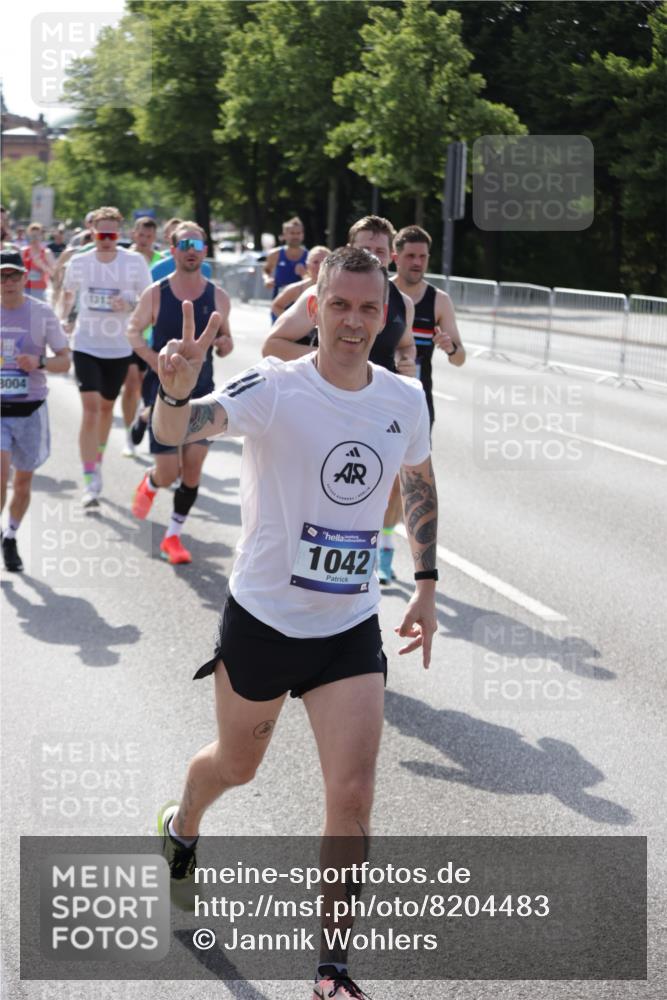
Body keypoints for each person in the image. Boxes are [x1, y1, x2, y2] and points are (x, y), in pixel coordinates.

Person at [152, 246, 438, 1000]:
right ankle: (182, 826)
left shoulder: (404, 400)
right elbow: (186, 430)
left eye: (367, 308)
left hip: (347, 630)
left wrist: (426, 584)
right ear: (313, 306)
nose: (352, 320)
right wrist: (174, 396)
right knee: (234, 769)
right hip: (265, 621)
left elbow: (418, 485)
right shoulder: (275, 388)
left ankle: (330, 968)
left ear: (385, 316)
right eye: (338, 304)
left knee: (351, 794)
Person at [264, 215, 417, 586]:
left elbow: (405, 344)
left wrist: (407, 366)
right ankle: (300, 569)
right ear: (349, 251)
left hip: (379, 409)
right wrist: (325, 368)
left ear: (392, 257)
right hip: (327, 405)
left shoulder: (401, 304)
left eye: (380, 251)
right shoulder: (319, 296)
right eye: (365, 249)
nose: (373, 257)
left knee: (396, 482)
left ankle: (380, 551)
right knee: (332, 489)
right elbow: (273, 344)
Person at [126, 221, 233, 564]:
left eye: (197, 244)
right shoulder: (157, 293)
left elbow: (227, 343)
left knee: (193, 467)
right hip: (162, 392)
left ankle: (173, 535)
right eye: (184, 243)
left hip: (202, 393)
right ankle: (152, 482)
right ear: (172, 251)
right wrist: (152, 361)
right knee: (169, 472)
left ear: (204, 251)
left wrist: (223, 342)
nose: (191, 249)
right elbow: (133, 332)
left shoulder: (218, 296)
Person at [59, 206, 151, 508]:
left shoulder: (134, 262)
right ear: (92, 233)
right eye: (102, 234)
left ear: (120, 234)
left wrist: (128, 302)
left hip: (119, 347)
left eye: (112, 234)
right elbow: (68, 293)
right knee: (90, 408)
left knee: (106, 408)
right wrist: (65, 319)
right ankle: (90, 479)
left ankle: (96, 460)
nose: (107, 239)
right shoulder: (81, 262)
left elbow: (148, 300)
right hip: (86, 343)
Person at [1, 249, 71, 571]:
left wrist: (39, 362)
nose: (8, 281)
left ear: (24, 277)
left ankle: (10, 536)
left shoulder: (41, 314)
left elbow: (64, 359)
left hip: (30, 410)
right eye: (2, 275)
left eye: (14, 274)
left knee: (24, 484)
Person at [392, 225, 466, 430]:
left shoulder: (439, 301)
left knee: (418, 463)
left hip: (418, 399)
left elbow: (460, 359)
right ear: (396, 257)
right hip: (380, 396)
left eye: (422, 257)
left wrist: (450, 347)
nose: (417, 262)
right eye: (410, 256)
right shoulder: (380, 294)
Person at [119, 217, 164, 456]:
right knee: (131, 385)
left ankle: (144, 420)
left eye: (150, 237)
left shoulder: (162, 261)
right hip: (130, 331)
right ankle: (129, 434)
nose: (145, 240)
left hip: (157, 333)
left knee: (152, 388)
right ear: (134, 234)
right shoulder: (123, 258)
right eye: (142, 235)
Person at [263, 215, 308, 322]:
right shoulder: (275, 254)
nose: (295, 236)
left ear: (302, 235)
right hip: (280, 304)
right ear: (284, 235)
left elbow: (314, 281)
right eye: (292, 233)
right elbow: (266, 270)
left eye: (298, 233)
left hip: (300, 306)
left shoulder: (309, 257)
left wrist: (304, 274)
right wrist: (267, 279)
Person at [271, 244, 330, 322]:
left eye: (324, 262)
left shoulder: (339, 288)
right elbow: (276, 306)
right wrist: (291, 323)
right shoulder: (298, 288)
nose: (320, 266)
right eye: (315, 262)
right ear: (307, 265)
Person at [21, 224, 55, 302]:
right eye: (32, 236)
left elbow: (53, 273)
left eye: (37, 235)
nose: (34, 238)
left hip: (40, 290)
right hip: (24, 289)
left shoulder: (46, 252)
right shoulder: (23, 251)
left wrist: (42, 265)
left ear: (41, 236)